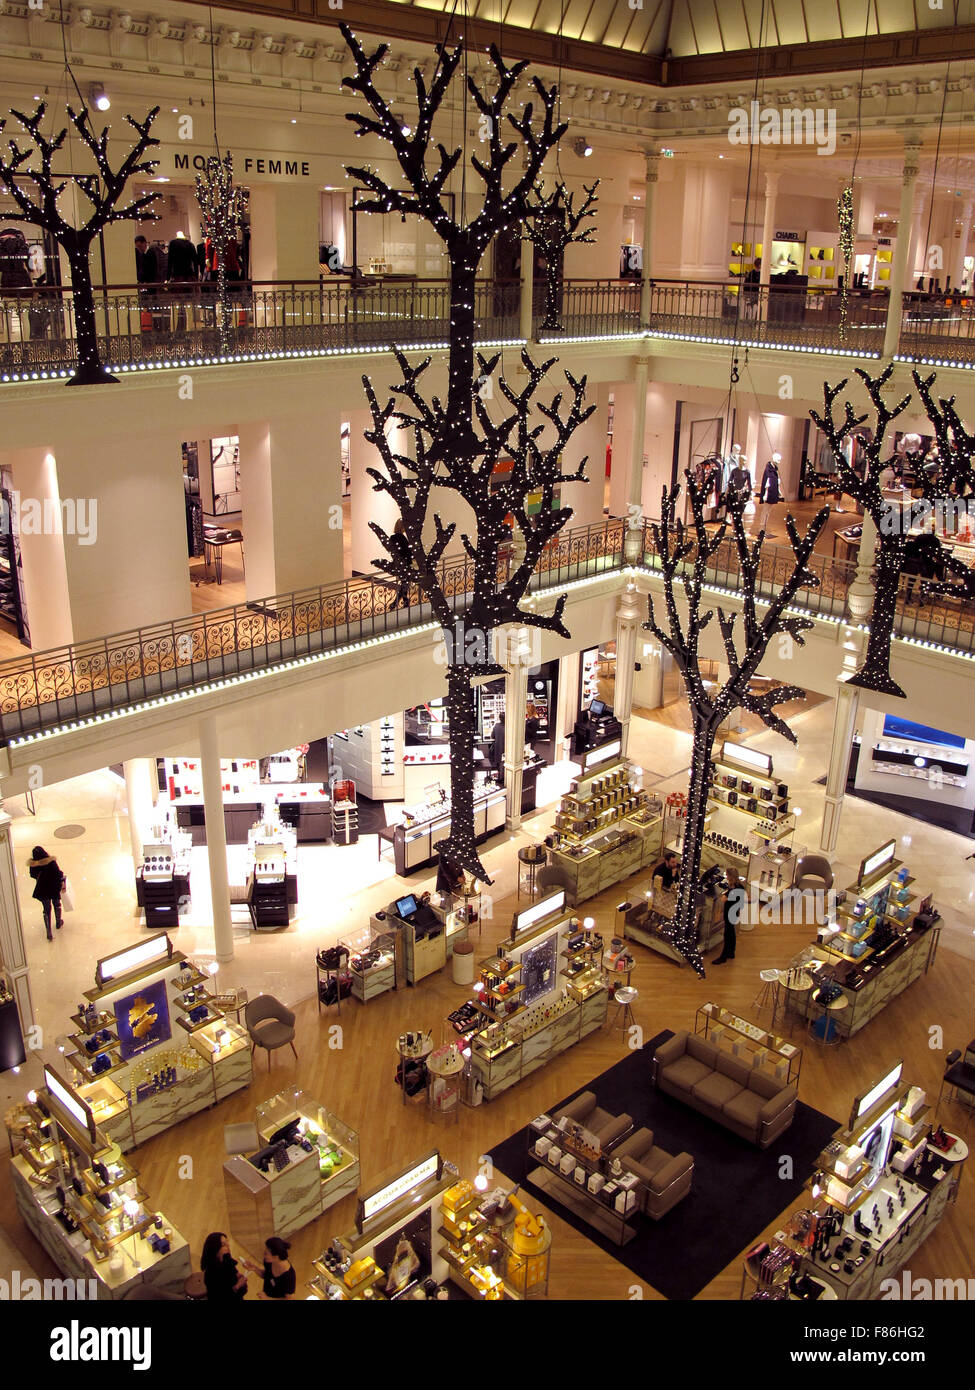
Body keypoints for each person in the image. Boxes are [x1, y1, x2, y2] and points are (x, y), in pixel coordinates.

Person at [28, 845, 64, 941]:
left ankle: (49, 932)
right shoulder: (50, 861)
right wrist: (62, 880)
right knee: (56, 904)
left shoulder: (33, 865)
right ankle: (58, 922)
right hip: (53, 886)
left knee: (46, 909)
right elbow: (58, 873)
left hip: (42, 888)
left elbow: (32, 875)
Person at [713, 866, 746, 964]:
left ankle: (723, 956)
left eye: (727, 875)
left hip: (730, 913)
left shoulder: (733, 889)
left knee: (728, 934)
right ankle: (731, 952)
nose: (726, 876)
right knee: (731, 932)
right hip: (734, 912)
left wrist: (725, 895)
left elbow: (724, 899)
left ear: (731, 876)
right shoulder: (739, 886)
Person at [200, 1232, 248, 1300]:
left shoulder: (227, 1259)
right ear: (215, 1249)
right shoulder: (211, 1274)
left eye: (227, 1242)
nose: (228, 1245)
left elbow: (234, 1272)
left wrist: (238, 1275)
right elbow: (221, 1296)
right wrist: (237, 1286)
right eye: (223, 1244)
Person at [388, 519, 412, 607]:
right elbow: (407, 551)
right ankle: (399, 602)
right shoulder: (402, 538)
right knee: (405, 583)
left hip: (398, 564)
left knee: (404, 583)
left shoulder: (392, 538)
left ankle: (400, 602)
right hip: (405, 564)